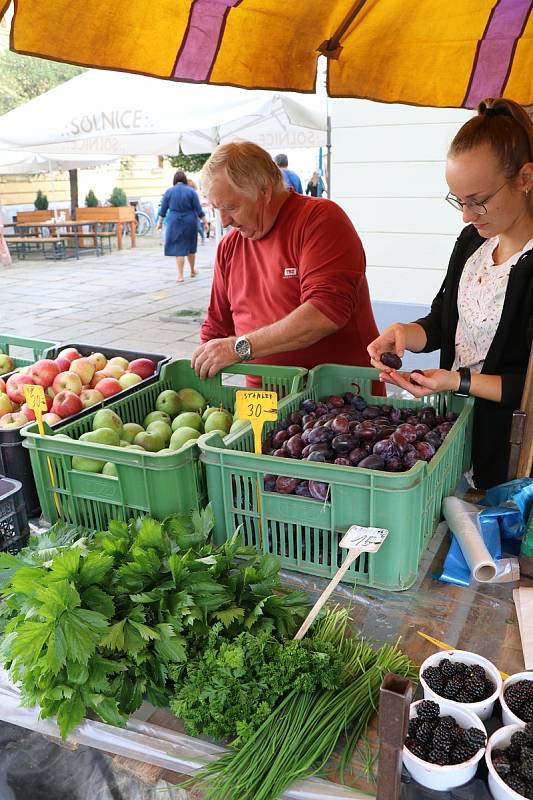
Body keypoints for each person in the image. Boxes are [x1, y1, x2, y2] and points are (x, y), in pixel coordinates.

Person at [367, 97, 533, 490]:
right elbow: (445, 320)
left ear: (525, 179)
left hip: (508, 451)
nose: (467, 214)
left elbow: (527, 385)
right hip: (453, 430)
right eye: (459, 200)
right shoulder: (472, 242)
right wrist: (406, 332)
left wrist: (457, 380)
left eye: (479, 201)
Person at [191, 141, 381, 384]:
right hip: (262, 401)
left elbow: (325, 312)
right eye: (217, 209)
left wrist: (239, 348)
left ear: (265, 191)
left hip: (337, 401)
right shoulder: (229, 247)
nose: (225, 220)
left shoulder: (320, 220)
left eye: (231, 207)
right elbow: (217, 326)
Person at [156, 170, 208, 282]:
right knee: (190, 247)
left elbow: (163, 210)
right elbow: (198, 210)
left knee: (179, 248)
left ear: (174, 180)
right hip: (190, 221)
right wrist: (205, 221)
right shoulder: (191, 192)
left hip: (174, 221)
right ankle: (192, 270)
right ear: (184, 180)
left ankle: (180, 275)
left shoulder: (169, 192)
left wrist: (159, 223)